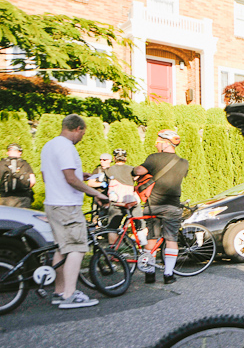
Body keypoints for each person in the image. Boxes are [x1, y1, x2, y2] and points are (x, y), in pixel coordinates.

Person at [40, 114, 108, 309]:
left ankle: (59, 292)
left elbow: (47, 176)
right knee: (77, 247)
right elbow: (70, 179)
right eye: (83, 133)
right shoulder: (66, 147)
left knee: (62, 249)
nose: (82, 137)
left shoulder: (49, 146)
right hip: (67, 206)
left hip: (52, 203)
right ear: (78, 128)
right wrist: (96, 193)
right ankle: (70, 295)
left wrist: (80, 175)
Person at [132, 129, 189, 285]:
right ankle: (168, 275)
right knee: (171, 239)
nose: (156, 145)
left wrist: (133, 170)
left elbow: (139, 171)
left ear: (165, 143)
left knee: (151, 238)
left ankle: (149, 273)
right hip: (172, 206)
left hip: (153, 205)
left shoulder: (154, 158)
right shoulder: (184, 163)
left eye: (158, 142)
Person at [105, 148, 144, 245]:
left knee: (113, 227)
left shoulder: (108, 170)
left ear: (114, 158)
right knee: (140, 223)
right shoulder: (132, 169)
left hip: (116, 201)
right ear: (125, 158)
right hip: (131, 200)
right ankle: (144, 245)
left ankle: (112, 248)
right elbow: (137, 177)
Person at [0, 143, 36, 208]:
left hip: (5, 197)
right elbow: (33, 181)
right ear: (19, 152)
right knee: (22, 214)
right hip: (23, 198)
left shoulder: (2, 163)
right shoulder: (25, 164)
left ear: (8, 152)